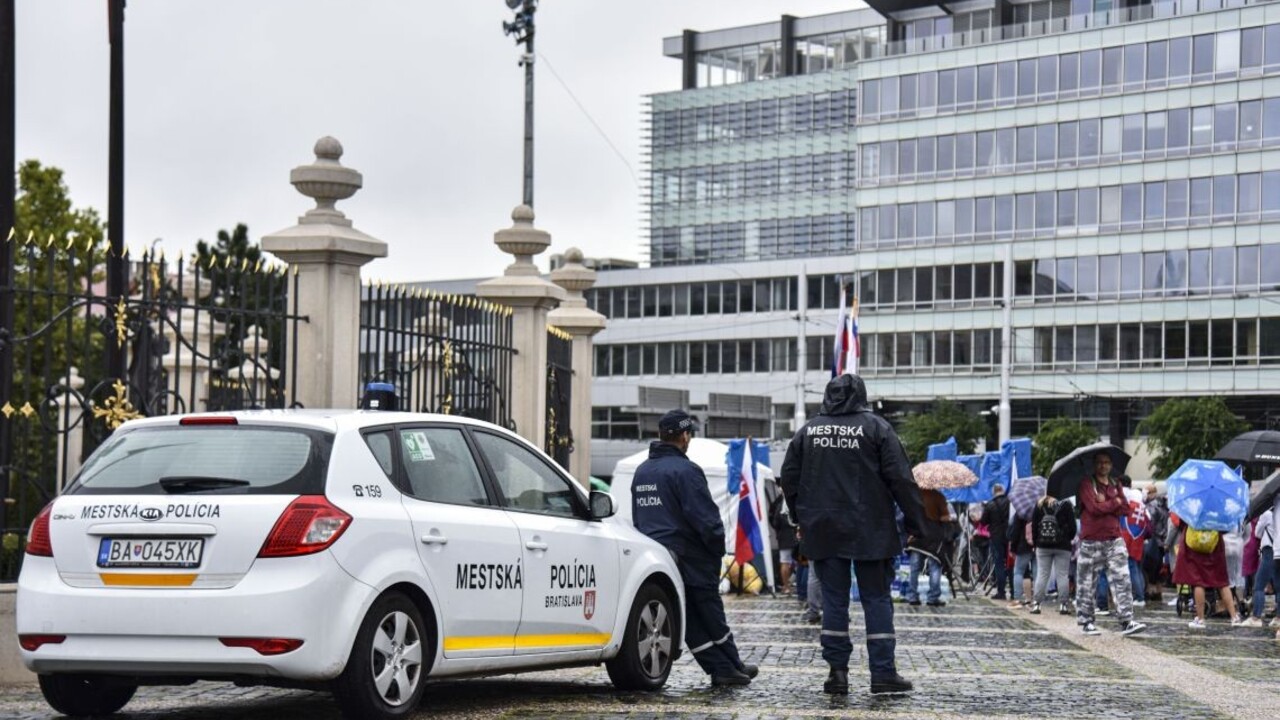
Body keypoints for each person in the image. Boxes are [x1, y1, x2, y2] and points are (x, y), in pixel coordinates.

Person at [780, 374, 926, 696]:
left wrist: (800, 516)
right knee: (876, 599)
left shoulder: (808, 432)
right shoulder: (877, 428)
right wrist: (917, 524)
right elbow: (901, 479)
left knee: (833, 600)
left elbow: (788, 478)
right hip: (871, 529)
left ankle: (837, 673)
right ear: (861, 395)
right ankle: (883, 673)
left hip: (823, 529)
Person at [630, 409, 758, 686]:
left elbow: (639, 519)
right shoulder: (686, 471)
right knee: (711, 614)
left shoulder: (642, 472)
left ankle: (725, 667)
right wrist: (717, 548)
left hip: (657, 558)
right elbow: (705, 517)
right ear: (685, 436)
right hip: (691, 557)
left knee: (689, 621)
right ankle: (728, 667)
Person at [1074, 452, 1147, 636]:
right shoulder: (1086, 484)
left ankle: (1127, 621)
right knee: (1086, 584)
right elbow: (1093, 508)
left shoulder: (1116, 483)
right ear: (1094, 465)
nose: (1103, 466)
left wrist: (1109, 502)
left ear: (1111, 465)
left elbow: (1125, 508)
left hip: (1114, 540)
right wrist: (1114, 503)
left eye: (1106, 462)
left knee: (1122, 580)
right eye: (1099, 463)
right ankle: (1087, 621)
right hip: (1091, 541)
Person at [1172, 518, 1244, 629]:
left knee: (1198, 582)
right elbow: (1225, 528)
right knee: (1222, 582)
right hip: (1214, 546)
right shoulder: (1217, 508)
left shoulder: (1193, 507)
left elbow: (1181, 523)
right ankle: (1234, 617)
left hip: (1194, 546)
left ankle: (1200, 619)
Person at [905, 488, 953, 607]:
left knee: (914, 568)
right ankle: (933, 597)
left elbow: (909, 513)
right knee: (934, 566)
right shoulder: (938, 496)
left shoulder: (915, 495)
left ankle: (912, 596)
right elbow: (945, 517)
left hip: (917, 534)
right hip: (933, 535)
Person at [1030, 494, 1076, 615]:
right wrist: (1066, 538)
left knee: (1042, 574)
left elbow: (1034, 527)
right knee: (1062, 575)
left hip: (1043, 545)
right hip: (1063, 546)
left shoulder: (1040, 504)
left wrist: (1036, 543)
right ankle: (1063, 605)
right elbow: (1073, 527)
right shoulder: (1066, 504)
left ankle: (1036, 604)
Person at [1240, 507, 1274, 626]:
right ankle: (1278, 618)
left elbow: (1257, 533)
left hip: (1269, 550)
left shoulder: (1266, 514)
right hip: (1278, 551)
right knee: (1278, 586)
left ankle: (1256, 617)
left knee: (1259, 585)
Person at [981, 485, 1012, 600]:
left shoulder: (990, 504)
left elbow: (983, 522)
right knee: (1010, 563)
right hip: (1009, 536)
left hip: (996, 537)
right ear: (1002, 491)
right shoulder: (1010, 502)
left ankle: (1001, 592)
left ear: (994, 492)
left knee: (999, 564)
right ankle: (1014, 591)